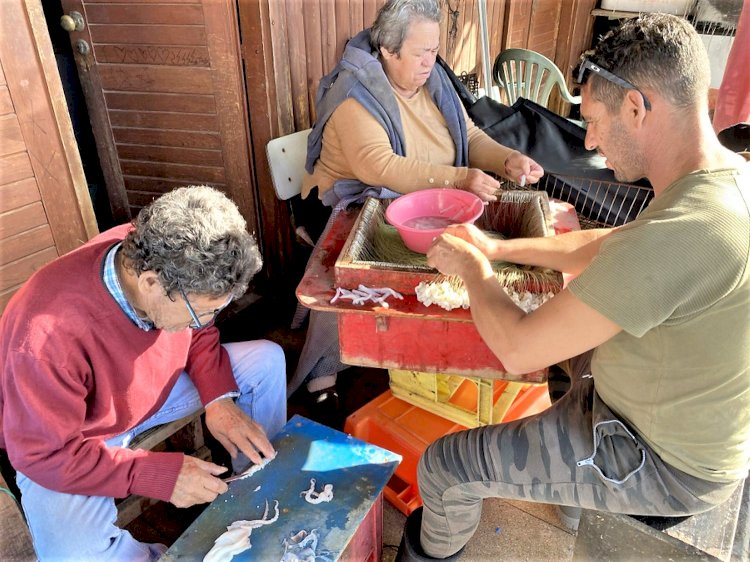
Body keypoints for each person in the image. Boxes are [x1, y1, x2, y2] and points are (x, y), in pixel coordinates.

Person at [395, 13, 750, 561]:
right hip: (687, 420)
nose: (588, 139)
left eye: (594, 119)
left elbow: (518, 349)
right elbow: (602, 246)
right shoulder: (722, 182)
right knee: (567, 348)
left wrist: (473, 269)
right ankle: (569, 489)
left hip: (662, 462)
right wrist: (497, 247)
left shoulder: (687, 231)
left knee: (444, 467)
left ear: (637, 107)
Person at [0, 186, 287, 561]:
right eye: (201, 311)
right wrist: (158, 474)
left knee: (265, 362)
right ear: (150, 282)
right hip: (75, 439)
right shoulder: (42, 340)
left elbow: (198, 331)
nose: (205, 322)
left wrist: (219, 399)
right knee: (76, 556)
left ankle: (257, 490)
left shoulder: (161, 257)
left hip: (146, 394)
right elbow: (43, 455)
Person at [291, 0, 543, 422]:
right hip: (351, 203)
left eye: (434, 50)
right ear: (388, 51)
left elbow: (472, 134)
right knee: (362, 265)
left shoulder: (433, 81)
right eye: (420, 52)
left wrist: (506, 159)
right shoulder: (356, 93)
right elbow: (381, 167)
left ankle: (424, 356)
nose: (430, 61)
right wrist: (461, 178)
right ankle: (322, 377)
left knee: (467, 254)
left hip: (425, 198)